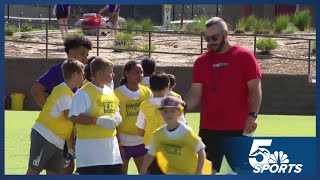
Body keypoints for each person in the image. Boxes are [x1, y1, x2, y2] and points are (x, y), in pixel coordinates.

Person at [185, 17, 262, 174]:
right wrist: (182, 106)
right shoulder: (201, 61)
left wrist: (253, 114)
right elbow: (195, 93)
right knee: (206, 172)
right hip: (209, 129)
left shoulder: (245, 56)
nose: (210, 42)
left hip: (239, 128)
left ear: (226, 34)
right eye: (207, 38)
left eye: (214, 37)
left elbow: (255, 89)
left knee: (243, 172)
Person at [30, 35, 93, 174]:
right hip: (52, 132)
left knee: (65, 167)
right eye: (82, 53)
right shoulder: (58, 70)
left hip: (69, 132)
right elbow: (36, 89)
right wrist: (50, 110)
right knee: (41, 169)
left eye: (87, 55)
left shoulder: (83, 75)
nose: (85, 57)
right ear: (70, 53)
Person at [26, 58, 84, 175]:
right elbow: (71, 117)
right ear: (74, 75)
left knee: (54, 173)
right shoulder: (62, 91)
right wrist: (93, 120)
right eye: (82, 74)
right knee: (33, 171)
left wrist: (71, 148)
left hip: (57, 141)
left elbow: (68, 125)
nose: (83, 78)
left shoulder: (70, 94)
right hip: (44, 137)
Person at [68, 57, 123, 174]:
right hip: (90, 153)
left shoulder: (110, 91)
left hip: (111, 152)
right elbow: (73, 116)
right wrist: (96, 121)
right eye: (110, 71)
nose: (113, 75)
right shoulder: (82, 93)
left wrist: (117, 116)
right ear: (99, 73)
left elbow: (115, 109)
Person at [139, 96, 206, 175]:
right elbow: (150, 154)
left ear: (179, 113)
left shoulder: (186, 132)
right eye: (166, 111)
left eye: (172, 111)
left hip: (190, 173)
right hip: (172, 173)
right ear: (160, 113)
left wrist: (199, 172)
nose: (169, 114)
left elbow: (201, 152)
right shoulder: (157, 134)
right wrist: (142, 171)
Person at [136, 72, 187, 174]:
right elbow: (183, 128)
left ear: (150, 86)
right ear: (168, 86)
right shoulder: (175, 104)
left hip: (151, 149)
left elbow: (140, 131)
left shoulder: (145, 105)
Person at [114, 60, 152, 174]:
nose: (139, 75)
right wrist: (118, 143)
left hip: (142, 142)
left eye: (141, 72)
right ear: (126, 73)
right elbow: (113, 119)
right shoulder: (117, 93)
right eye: (136, 72)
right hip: (123, 143)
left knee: (144, 173)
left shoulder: (147, 92)